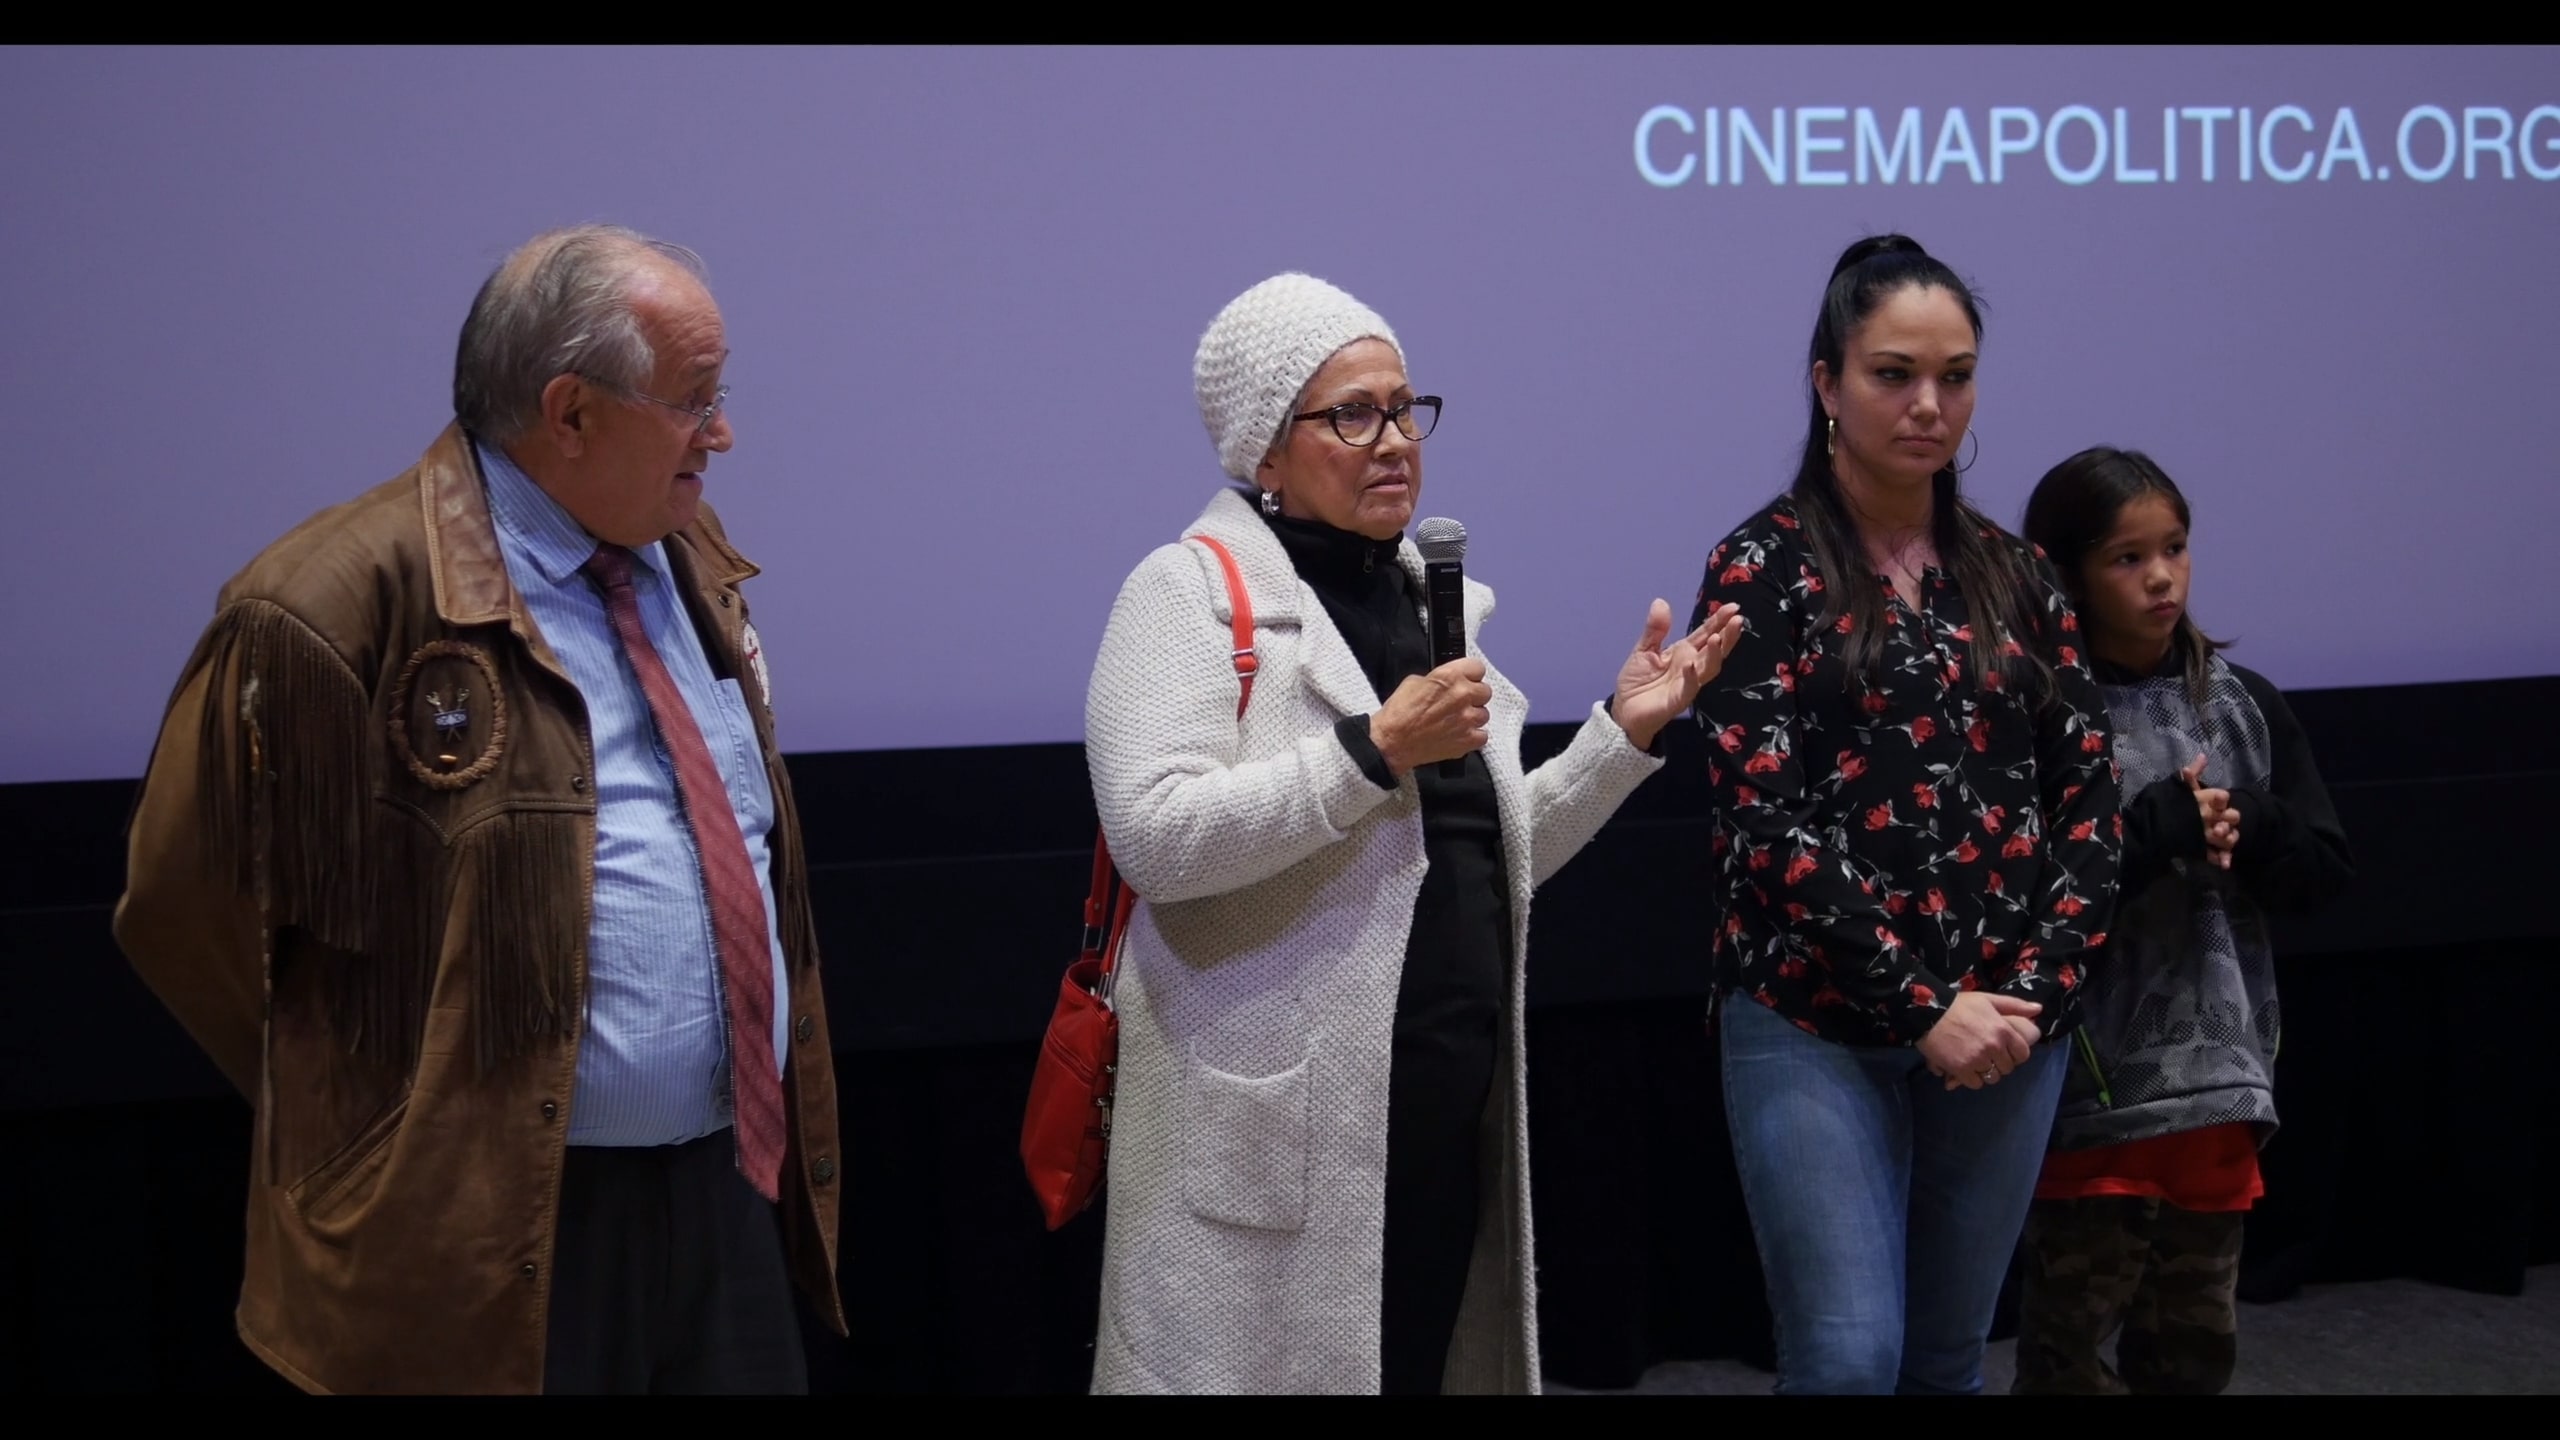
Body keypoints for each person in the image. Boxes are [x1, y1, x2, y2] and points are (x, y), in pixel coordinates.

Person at [112, 225, 844, 1394]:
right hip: (483, 1228)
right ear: (570, 414)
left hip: (719, 1187)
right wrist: (376, 1132)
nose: (724, 432)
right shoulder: (329, 603)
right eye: (696, 400)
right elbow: (184, 913)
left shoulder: (681, 547)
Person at [1081, 272, 1742, 1394]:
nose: (1392, 441)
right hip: (1276, 1139)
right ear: (1265, 452)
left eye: (1403, 408)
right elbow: (1156, 837)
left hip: (1436, 1119)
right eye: (1350, 414)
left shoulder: (1430, 604)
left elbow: (1489, 853)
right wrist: (1368, 752)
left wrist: (1617, 740)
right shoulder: (1183, 596)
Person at [1684, 234, 2124, 1395]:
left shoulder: (2018, 575)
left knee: (1942, 1360)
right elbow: (1761, 823)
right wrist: (1922, 1005)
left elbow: (2085, 799)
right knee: (1845, 1357)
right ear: (1826, 383)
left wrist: (2030, 991)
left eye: (1955, 375)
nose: (1928, 405)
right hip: (1811, 1016)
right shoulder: (1759, 568)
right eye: (1892, 373)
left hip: (2004, 1029)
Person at [2010, 446, 2354, 1395]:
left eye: (2175, 548)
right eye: (2127, 557)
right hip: (2090, 1102)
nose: (2162, 577)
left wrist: (2258, 825)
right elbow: (2015, 901)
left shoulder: (2244, 707)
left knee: (2192, 1354)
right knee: (2066, 1356)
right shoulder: (2039, 712)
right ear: (2063, 569)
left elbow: (2325, 871)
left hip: (2218, 1091)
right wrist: (2154, 827)